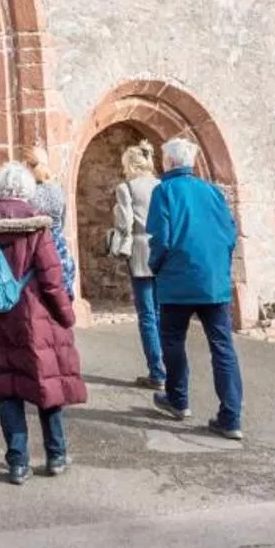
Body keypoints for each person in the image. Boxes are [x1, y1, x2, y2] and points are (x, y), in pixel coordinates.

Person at [0, 161, 86, 483]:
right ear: (26, 190)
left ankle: (18, 462)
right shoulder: (38, 226)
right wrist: (66, 314)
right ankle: (56, 454)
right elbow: (52, 278)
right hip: (35, 316)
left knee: (9, 389)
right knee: (46, 383)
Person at [145, 137, 243, 440]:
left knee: (173, 339)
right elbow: (230, 232)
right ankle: (231, 416)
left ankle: (178, 399)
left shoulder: (164, 191)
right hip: (213, 280)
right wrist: (220, 265)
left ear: (171, 162)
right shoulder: (212, 191)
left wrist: (156, 265)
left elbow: (161, 236)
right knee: (222, 346)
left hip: (178, 279)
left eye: (164, 158)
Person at [111, 142, 166, 389]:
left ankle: (157, 372)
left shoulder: (126, 188)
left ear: (129, 164)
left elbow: (125, 223)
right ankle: (170, 368)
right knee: (163, 313)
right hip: (163, 252)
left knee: (147, 315)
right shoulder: (161, 186)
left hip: (141, 253)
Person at [24, 151, 77, 299]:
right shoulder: (58, 190)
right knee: (62, 286)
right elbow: (63, 218)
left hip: (37, 241)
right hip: (58, 240)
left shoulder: (29, 192)